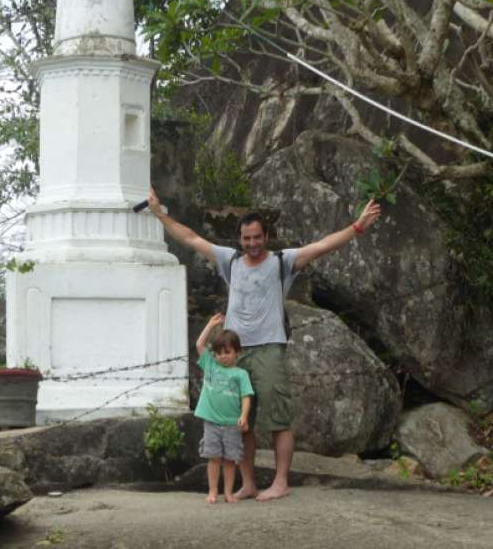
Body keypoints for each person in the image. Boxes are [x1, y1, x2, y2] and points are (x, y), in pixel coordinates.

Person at [148, 188, 381, 501]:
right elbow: (190, 238)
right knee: (239, 422)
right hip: (234, 353)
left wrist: (358, 226)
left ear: (266, 236)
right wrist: (160, 214)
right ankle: (249, 483)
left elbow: (323, 245)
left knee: (278, 418)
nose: (252, 244)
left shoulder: (283, 262)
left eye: (257, 238)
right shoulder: (230, 261)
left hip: (269, 347)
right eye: (247, 239)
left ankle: (281, 481)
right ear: (240, 239)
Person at [193, 312, 254, 503]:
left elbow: (246, 397)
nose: (223, 356)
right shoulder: (210, 365)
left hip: (231, 425)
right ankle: (213, 492)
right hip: (211, 423)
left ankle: (228, 493)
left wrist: (244, 416)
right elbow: (199, 345)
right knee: (213, 459)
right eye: (219, 353)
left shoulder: (241, 374)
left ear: (237, 352)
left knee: (230, 461)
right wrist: (211, 325)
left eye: (227, 352)